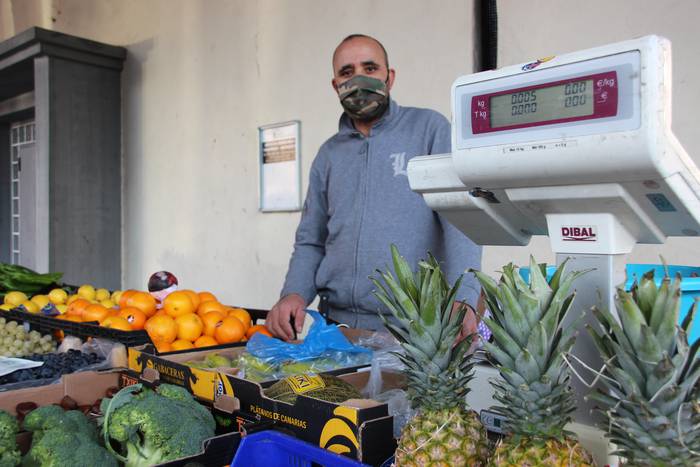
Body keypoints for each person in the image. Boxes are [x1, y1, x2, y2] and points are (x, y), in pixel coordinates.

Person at [267, 34, 482, 341]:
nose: (359, 79)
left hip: (417, 330)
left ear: (389, 77)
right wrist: (294, 293)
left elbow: (461, 221)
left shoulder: (429, 130)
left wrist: (465, 295)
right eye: (347, 72)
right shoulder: (328, 155)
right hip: (337, 328)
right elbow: (311, 240)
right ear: (335, 85)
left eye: (370, 68)